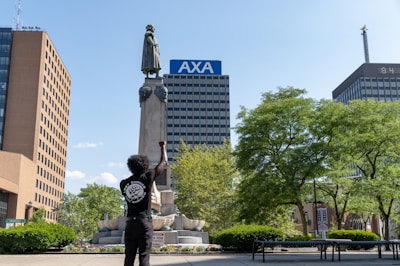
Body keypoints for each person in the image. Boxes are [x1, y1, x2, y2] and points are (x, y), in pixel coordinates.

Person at [120, 141, 168, 266]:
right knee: (144, 257)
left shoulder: (123, 183)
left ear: (130, 166)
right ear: (145, 165)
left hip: (130, 223)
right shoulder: (148, 176)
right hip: (144, 222)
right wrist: (163, 147)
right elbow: (163, 163)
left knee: (128, 258)